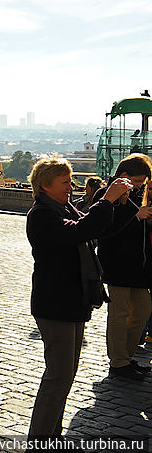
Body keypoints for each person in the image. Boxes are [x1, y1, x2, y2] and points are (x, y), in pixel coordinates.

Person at [25, 158, 133, 439]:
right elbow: (79, 231)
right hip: (55, 303)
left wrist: (121, 206)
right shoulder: (41, 214)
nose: (70, 187)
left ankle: (52, 435)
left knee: (65, 376)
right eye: (64, 182)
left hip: (72, 300)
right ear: (45, 184)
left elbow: (98, 229)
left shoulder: (61, 207)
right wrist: (106, 200)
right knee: (58, 377)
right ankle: (39, 440)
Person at [92, 154, 152, 380]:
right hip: (116, 264)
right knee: (120, 314)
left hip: (139, 266)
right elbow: (106, 230)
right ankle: (118, 362)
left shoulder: (137, 192)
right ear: (124, 175)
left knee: (143, 311)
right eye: (137, 181)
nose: (140, 186)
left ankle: (127, 357)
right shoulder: (105, 194)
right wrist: (137, 217)